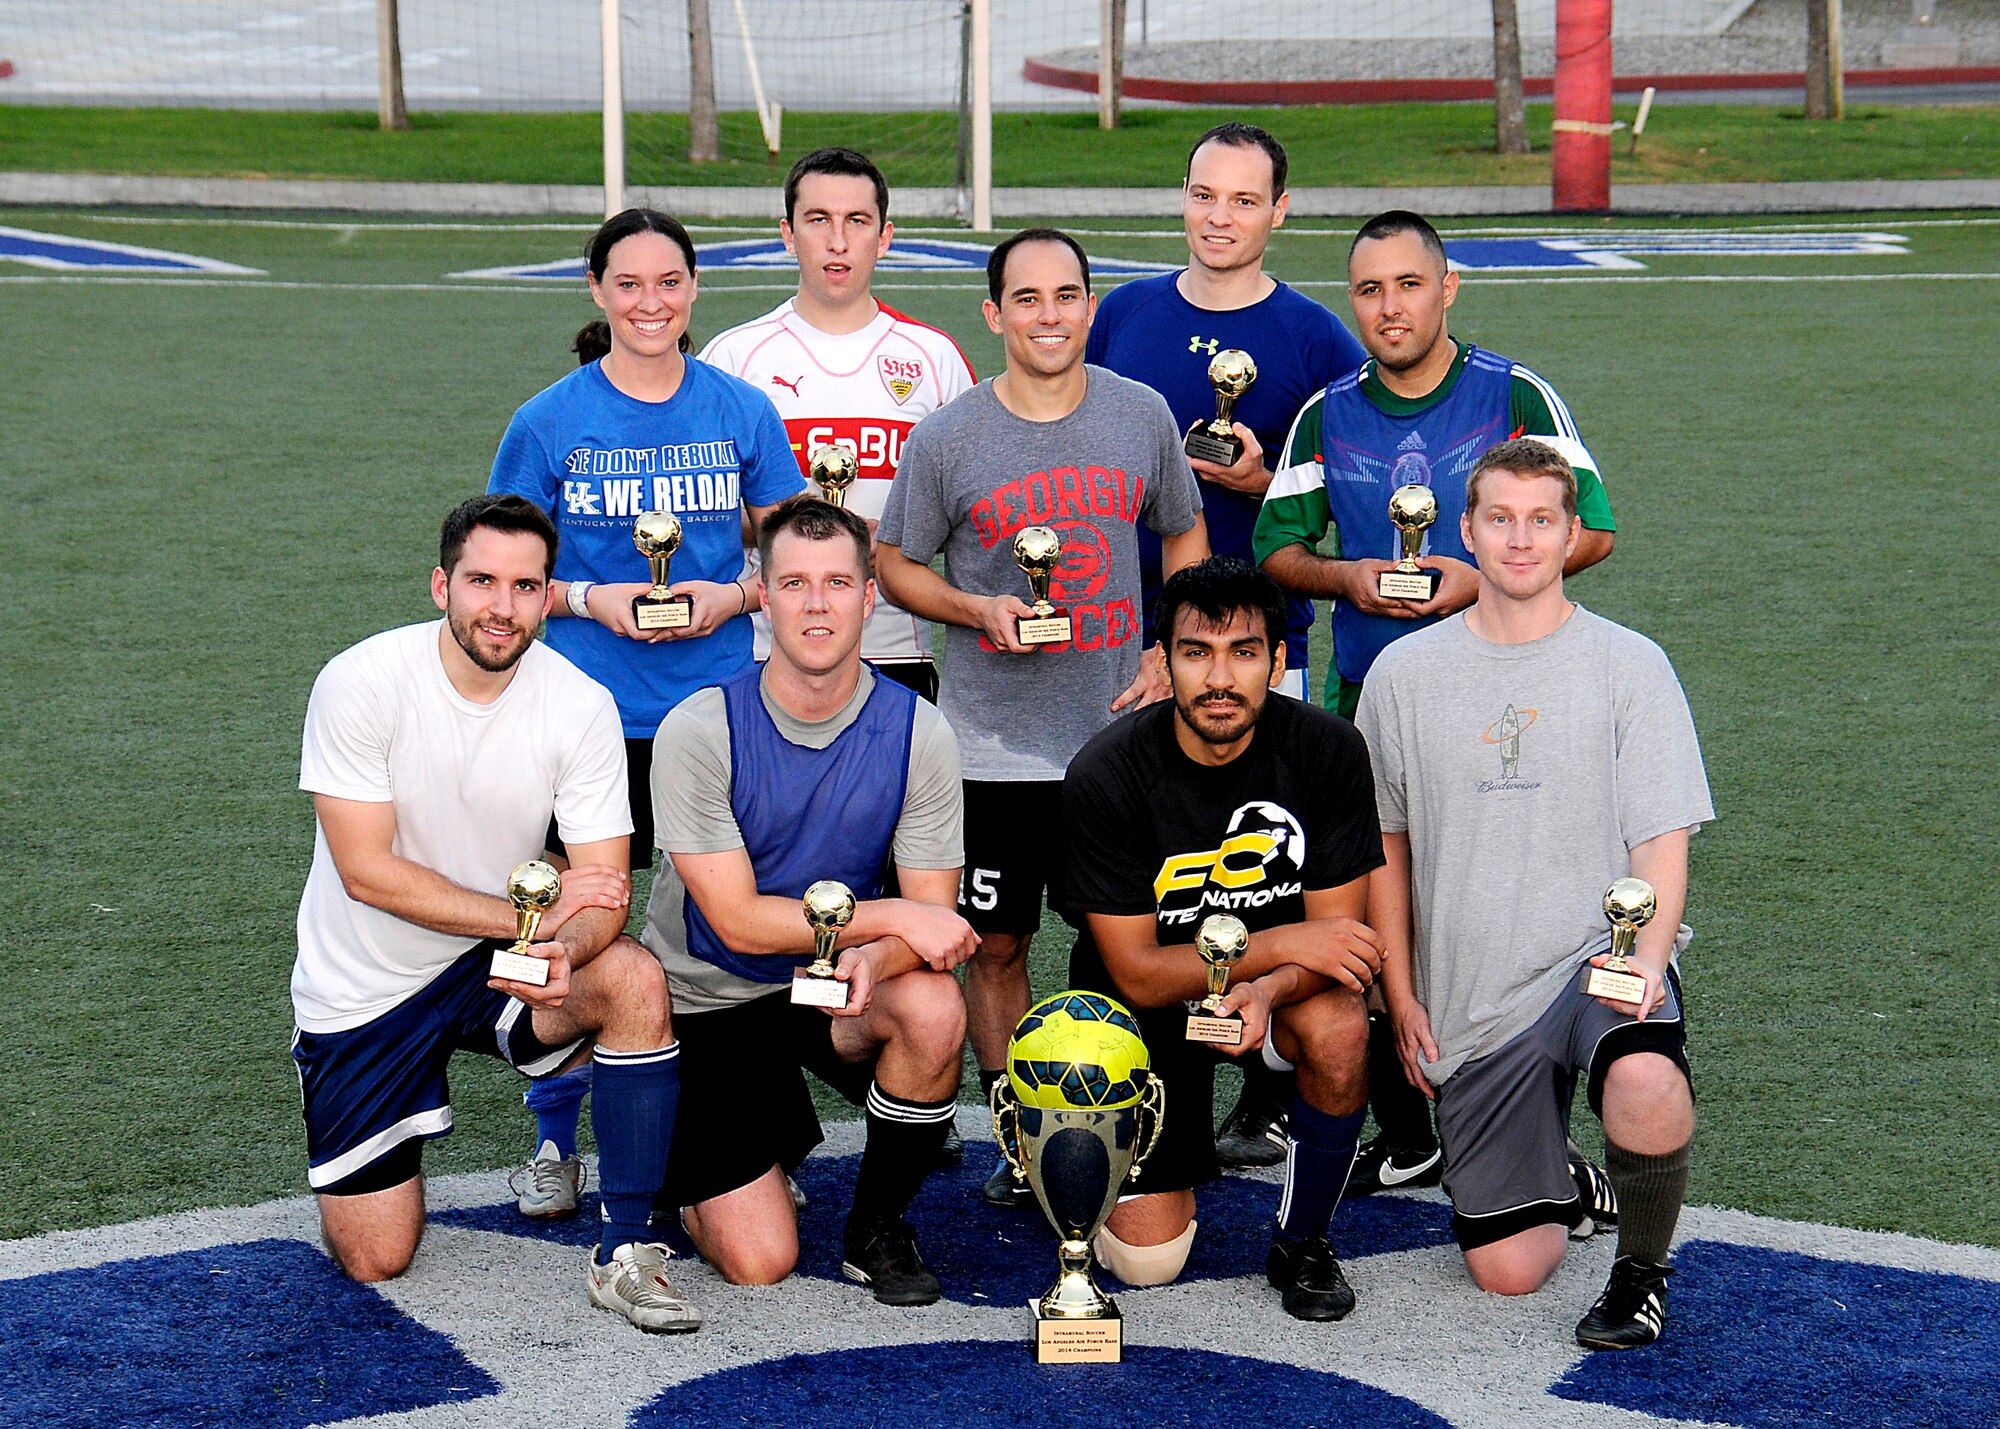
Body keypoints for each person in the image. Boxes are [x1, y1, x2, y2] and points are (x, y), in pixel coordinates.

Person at [1253, 208, 1618, 1197]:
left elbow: (1591, 532)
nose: (1388, 307)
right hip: (1367, 701)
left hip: (1504, 700)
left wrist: (1479, 579)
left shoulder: (1513, 395)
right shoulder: (1326, 412)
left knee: (1499, 920)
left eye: (1406, 284)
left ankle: (1539, 1144)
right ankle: (1412, 1131)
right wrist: (1350, 578)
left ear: (1445, 287)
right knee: (1370, 923)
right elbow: (1276, 550)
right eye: (1367, 289)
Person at [290, 493, 700, 1334]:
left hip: (495, 963)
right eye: (482, 580)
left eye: (524, 586)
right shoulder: (360, 681)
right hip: (367, 983)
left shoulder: (579, 702)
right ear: (442, 585)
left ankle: (625, 1250)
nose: (501, 606)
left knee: (627, 976)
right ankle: (518, 1095)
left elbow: (604, 888)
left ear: (549, 596)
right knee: (377, 1255)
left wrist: (569, 944)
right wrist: (538, 923)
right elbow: (369, 873)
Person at [875, 227, 1210, 1206]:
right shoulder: (948, 435)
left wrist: (1168, 646)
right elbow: (894, 561)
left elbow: (1181, 527)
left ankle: (1106, 1109)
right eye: (1026, 298)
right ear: (994, 314)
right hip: (990, 746)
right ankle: (1016, 1128)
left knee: (1124, 941)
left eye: (1066, 295)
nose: (1049, 315)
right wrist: (975, 608)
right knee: (995, 944)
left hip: (1119, 741)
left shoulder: (1139, 413)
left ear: (1088, 306)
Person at [1355, 438, 1711, 1350]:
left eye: (1541, 520)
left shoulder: (1630, 664)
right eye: (1501, 519)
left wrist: (1647, 964)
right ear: (1465, 531)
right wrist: (1400, 992)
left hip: (1591, 956)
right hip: (1474, 994)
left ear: (1570, 534)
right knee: (1508, 1271)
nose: (1520, 540)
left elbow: (1660, 843)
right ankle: (1570, 1180)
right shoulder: (1402, 675)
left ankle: (1641, 1270)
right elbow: (1384, 845)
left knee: (1642, 1072)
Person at [490, 208, 805, 1216]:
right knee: (577, 924)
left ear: (693, 287)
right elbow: (504, 581)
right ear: (596, 291)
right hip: (585, 717)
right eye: (628, 284)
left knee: (725, 929)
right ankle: (553, 1141)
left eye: (668, 282)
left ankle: (742, 1138)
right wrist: (590, 598)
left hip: (717, 716)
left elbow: (796, 557)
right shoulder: (546, 421)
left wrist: (734, 596)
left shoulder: (741, 409)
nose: (650, 302)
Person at [1084, 120, 1368, 1171]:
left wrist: (1262, 485)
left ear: (1277, 212)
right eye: (1204, 194)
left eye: (1242, 201)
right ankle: (1149, 1071)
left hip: (1259, 643)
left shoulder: (1314, 340)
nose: (1218, 217)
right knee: (1158, 851)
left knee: (1262, 855)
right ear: (1183, 197)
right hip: (1133, 633)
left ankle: (1268, 1090)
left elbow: (1358, 488)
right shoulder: (1121, 314)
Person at [645, 494, 977, 1306]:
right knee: (760, 1258)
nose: (817, 604)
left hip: (826, 985)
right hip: (710, 995)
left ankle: (876, 1225)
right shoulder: (699, 728)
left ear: (870, 596)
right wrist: (894, 918)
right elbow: (736, 920)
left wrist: (881, 950)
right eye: (793, 582)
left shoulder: (918, 730)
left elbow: (932, 928)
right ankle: (688, 1163)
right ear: (763, 592)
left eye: (837, 582)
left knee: (933, 1007)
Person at [1062, 557, 1385, 1320]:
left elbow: (1339, 943)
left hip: (1275, 998)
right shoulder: (1106, 772)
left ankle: (1303, 1239)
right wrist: (1275, 950)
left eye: (1243, 652)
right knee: (1147, 1261)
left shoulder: (1330, 750)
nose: (1219, 677)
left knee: (1339, 1024)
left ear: (1278, 660)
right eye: (1196, 651)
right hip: (1147, 1007)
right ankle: (1095, 1168)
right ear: (1163, 657)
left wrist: (1268, 986)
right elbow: (1137, 973)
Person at [699, 146, 976, 701]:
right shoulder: (733, 358)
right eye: (818, 220)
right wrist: (808, 535)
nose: (838, 241)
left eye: (857, 221)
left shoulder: (934, 358)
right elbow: (699, 512)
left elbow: (972, 508)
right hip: (763, 647)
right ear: (787, 233)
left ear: (886, 235)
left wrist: (895, 540)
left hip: (896, 647)